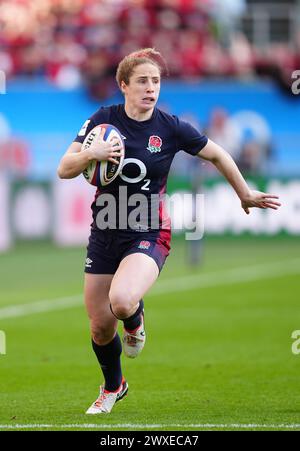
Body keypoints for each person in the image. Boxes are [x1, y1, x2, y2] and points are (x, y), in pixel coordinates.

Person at [57, 48, 281, 415]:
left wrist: (244, 192)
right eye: (142, 81)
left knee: (123, 300)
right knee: (99, 326)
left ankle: (135, 317)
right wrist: (90, 153)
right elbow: (65, 169)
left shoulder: (170, 126)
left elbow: (218, 154)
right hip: (105, 229)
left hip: (148, 228)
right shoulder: (103, 120)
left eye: (156, 81)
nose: (151, 89)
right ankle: (114, 386)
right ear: (124, 85)